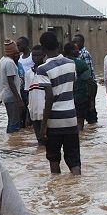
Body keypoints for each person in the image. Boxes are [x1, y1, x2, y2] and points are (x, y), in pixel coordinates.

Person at [37, 32, 82, 174]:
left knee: (53, 158)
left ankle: (57, 194)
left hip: (54, 121)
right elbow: (71, 86)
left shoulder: (42, 69)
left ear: (43, 50)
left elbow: (49, 97)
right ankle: (77, 188)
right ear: (58, 45)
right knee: (74, 159)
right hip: (71, 118)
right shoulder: (71, 63)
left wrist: (43, 126)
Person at [63, 42, 93, 131]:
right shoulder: (81, 64)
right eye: (76, 49)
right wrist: (91, 101)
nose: (78, 51)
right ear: (71, 51)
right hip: (80, 96)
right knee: (80, 121)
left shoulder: (61, 64)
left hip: (65, 97)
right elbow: (89, 82)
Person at [0, 39, 24, 133]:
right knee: (14, 124)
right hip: (12, 97)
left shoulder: (3, 60)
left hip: (6, 95)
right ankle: (14, 144)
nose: (18, 55)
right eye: (16, 53)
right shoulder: (10, 63)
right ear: (12, 52)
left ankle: (11, 142)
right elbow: (11, 82)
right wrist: (19, 99)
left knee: (11, 122)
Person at [24, 44, 47, 143]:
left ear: (44, 55)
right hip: (33, 111)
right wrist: (27, 116)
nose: (35, 58)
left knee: (47, 139)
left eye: (38, 55)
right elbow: (28, 94)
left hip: (45, 111)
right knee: (39, 141)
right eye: (33, 55)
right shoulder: (29, 73)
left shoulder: (47, 70)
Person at [74, 34, 98, 125]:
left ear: (82, 42)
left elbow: (89, 73)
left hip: (89, 85)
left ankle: (93, 128)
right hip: (81, 87)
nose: (75, 44)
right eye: (73, 42)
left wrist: (90, 91)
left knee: (90, 109)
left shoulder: (84, 54)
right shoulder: (76, 54)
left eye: (77, 42)